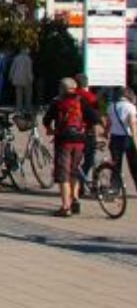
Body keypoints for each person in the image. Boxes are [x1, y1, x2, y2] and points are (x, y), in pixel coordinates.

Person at [43, 77, 88, 217]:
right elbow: (93, 117)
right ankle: (75, 199)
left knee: (63, 174)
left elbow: (46, 120)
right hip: (80, 141)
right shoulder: (81, 100)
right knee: (74, 170)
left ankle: (65, 206)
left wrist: (50, 129)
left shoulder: (58, 102)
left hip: (64, 141)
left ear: (61, 88)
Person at [108, 86, 137, 191]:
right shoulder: (131, 107)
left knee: (116, 165)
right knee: (134, 165)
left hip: (115, 138)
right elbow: (133, 124)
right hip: (128, 138)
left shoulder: (112, 106)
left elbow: (109, 123)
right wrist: (135, 141)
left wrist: (106, 134)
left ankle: (115, 188)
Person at [8, 46, 36, 117]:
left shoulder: (16, 58)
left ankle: (19, 108)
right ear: (26, 51)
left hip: (17, 79)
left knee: (18, 95)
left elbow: (12, 68)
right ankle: (27, 108)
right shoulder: (28, 59)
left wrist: (10, 76)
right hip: (26, 79)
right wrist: (31, 79)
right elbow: (29, 70)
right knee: (28, 95)